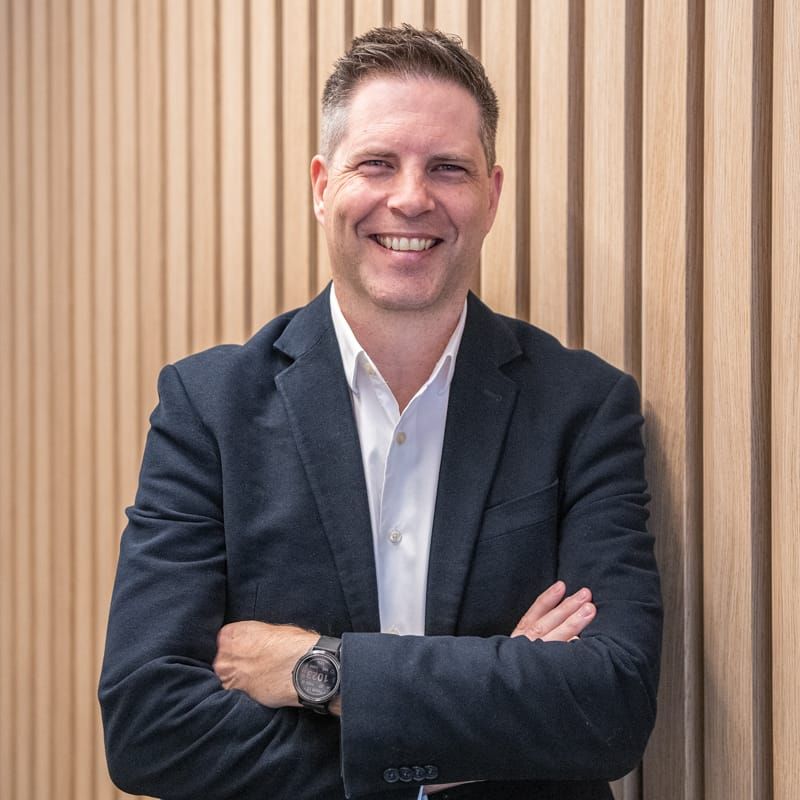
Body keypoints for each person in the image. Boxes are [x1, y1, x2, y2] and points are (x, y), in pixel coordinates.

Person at [99, 25, 661, 800]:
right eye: (376, 163)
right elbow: (147, 729)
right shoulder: (208, 408)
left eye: (447, 168)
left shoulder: (582, 408)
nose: (410, 197)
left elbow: (609, 707)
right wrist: (483, 730)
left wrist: (315, 670)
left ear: (490, 195)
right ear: (322, 185)